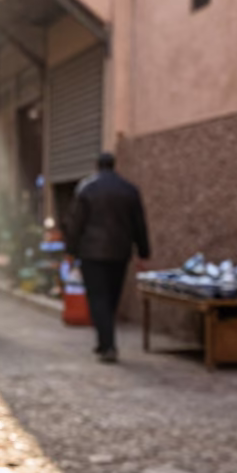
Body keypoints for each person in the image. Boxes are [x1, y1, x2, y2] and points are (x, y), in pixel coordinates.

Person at [65, 152, 150, 364]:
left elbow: (76, 223)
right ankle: (105, 341)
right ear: (114, 166)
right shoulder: (129, 190)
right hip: (119, 252)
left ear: (97, 166)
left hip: (92, 253)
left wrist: (71, 250)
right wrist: (143, 251)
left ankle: (107, 345)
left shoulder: (86, 188)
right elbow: (139, 223)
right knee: (111, 297)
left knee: (98, 298)